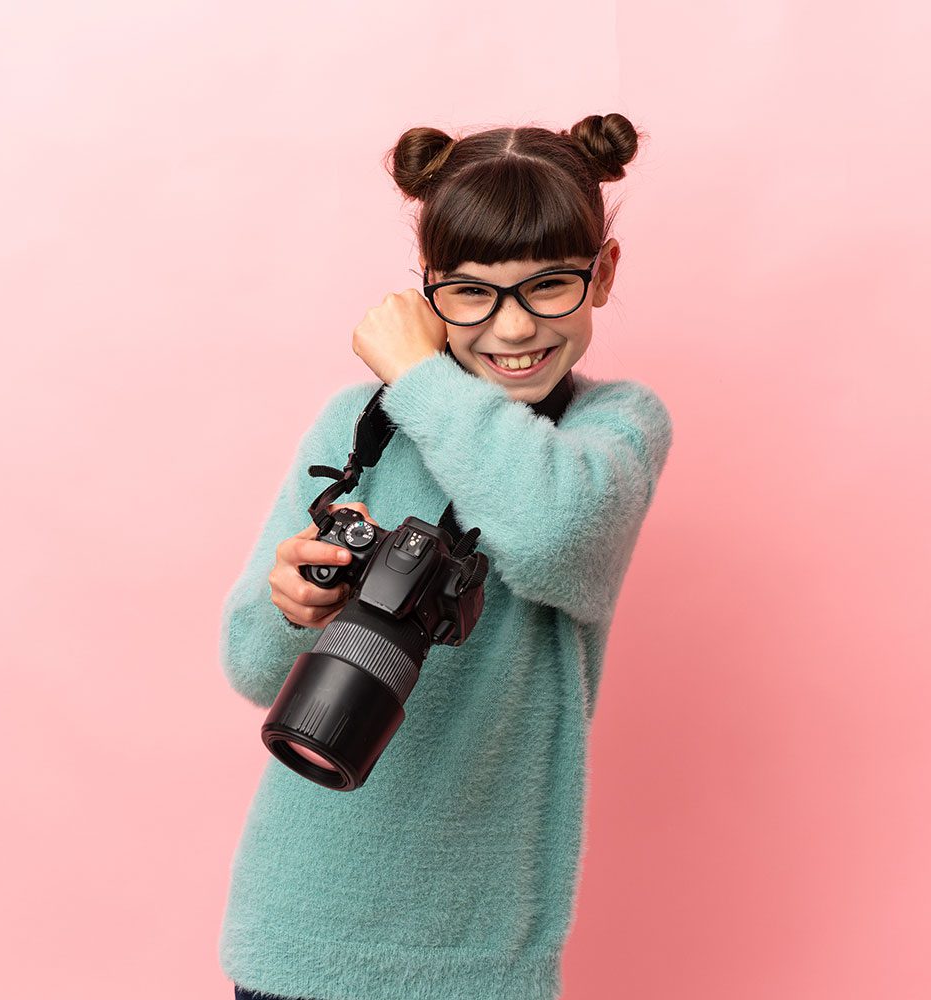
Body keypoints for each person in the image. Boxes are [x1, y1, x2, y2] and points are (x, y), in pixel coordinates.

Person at [220, 113, 674, 1000]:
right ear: (426, 292)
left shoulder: (614, 429)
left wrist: (420, 376)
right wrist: (289, 605)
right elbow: (248, 668)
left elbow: (548, 535)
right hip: (295, 920)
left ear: (603, 275)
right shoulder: (361, 425)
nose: (511, 329)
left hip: (478, 952)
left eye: (549, 287)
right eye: (469, 294)